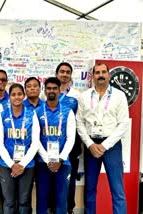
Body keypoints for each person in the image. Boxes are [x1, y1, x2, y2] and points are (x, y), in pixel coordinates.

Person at [76, 63, 128, 214]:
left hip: (111, 145)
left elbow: (123, 124)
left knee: (117, 189)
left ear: (108, 75)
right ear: (93, 76)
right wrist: (90, 144)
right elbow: (79, 121)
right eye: (97, 72)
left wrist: (104, 145)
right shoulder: (84, 96)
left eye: (103, 72)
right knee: (90, 189)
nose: (100, 75)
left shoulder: (119, 96)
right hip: (91, 145)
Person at [0, 83, 40, 213]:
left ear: (24, 96)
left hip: (27, 165)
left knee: (24, 202)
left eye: (19, 94)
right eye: (13, 94)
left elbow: (35, 143)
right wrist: (12, 164)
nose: (17, 97)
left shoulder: (32, 115)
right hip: (6, 165)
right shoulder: (2, 115)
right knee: (8, 202)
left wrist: (22, 164)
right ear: (9, 97)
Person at [35, 77, 76, 214]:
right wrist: (48, 159)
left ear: (59, 90)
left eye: (54, 88)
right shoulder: (37, 112)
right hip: (43, 162)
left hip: (63, 162)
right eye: (48, 88)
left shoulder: (68, 111)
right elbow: (36, 140)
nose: (51, 91)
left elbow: (71, 138)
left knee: (61, 199)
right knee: (42, 199)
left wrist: (60, 159)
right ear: (44, 91)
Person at [55, 62, 82, 214]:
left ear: (71, 75)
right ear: (56, 74)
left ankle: (69, 208)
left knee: (69, 179)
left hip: (72, 145)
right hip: (51, 144)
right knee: (52, 178)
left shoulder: (77, 95)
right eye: (61, 71)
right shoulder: (48, 93)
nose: (64, 74)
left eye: (67, 72)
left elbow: (80, 120)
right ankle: (53, 208)